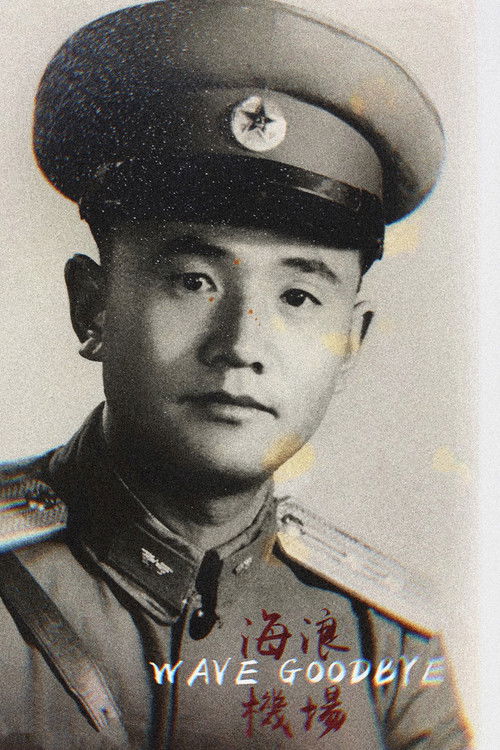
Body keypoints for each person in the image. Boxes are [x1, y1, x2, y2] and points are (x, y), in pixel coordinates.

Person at [0, 1, 471, 748]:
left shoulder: (385, 643)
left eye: (298, 297)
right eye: (193, 281)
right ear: (92, 306)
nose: (241, 345)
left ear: (351, 342)